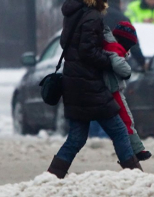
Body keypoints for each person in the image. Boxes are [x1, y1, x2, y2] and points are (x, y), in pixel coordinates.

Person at [47, 0, 143, 179]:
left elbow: (67, 44)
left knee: (77, 137)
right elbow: (87, 51)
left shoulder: (73, 13)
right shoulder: (92, 16)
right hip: (89, 84)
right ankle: (136, 177)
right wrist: (110, 60)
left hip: (75, 82)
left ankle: (52, 176)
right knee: (119, 130)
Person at [103, 21, 152, 161]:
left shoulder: (108, 45)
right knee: (126, 120)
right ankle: (135, 151)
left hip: (107, 89)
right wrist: (127, 68)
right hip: (114, 90)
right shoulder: (115, 49)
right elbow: (124, 70)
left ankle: (130, 153)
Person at [104, 0, 146, 70]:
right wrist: (142, 63)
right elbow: (132, 43)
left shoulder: (93, 15)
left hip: (91, 61)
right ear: (119, 3)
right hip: (114, 62)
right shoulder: (122, 18)